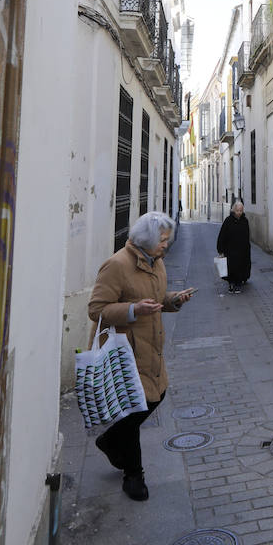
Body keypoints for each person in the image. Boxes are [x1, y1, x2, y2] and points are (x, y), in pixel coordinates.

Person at [88, 211, 195, 501]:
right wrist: (134, 310)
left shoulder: (156, 263)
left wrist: (174, 300)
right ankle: (133, 475)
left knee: (155, 398)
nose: (166, 246)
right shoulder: (116, 265)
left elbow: (157, 299)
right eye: (162, 240)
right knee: (135, 408)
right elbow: (96, 310)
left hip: (150, 348)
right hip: (125, 352)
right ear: (146, 240)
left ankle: (110, 440)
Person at [217, 199, 252, 293]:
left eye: (241, 210)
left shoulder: (245, 221)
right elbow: (222, 235)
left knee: (240, 267)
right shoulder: (228, 221)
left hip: (241, 250)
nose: (239, 213)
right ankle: (231, 284)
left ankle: (238, 285)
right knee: (230, 267)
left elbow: (247, 235)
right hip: (230, 250)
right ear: (234, 210)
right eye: (237, 210)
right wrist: (220, 249)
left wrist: (247, 249)